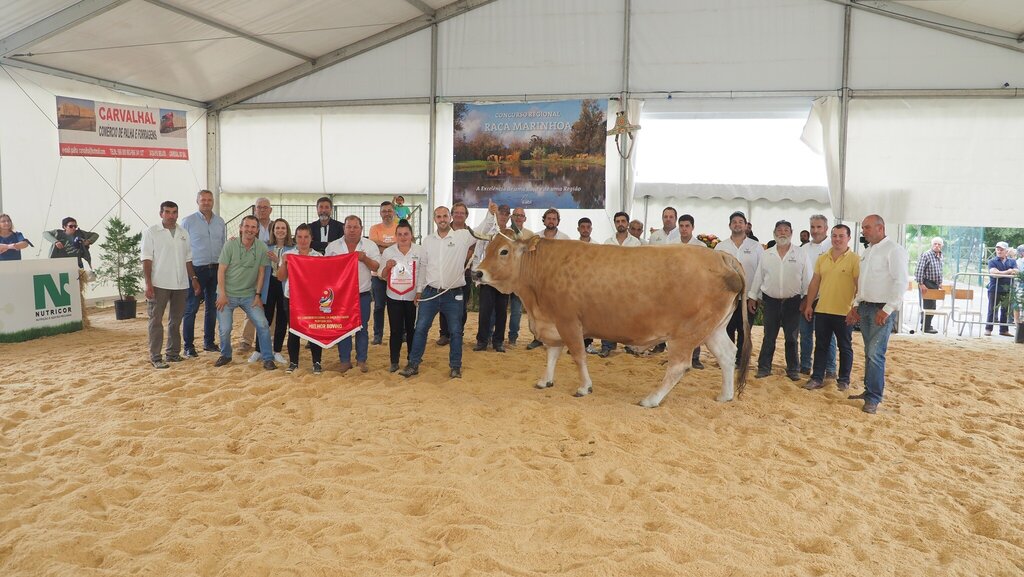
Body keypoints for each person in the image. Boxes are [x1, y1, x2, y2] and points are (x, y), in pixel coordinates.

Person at [399, 206, 477, 379]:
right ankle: (413, 364)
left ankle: (455, 367)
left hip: (453, 293)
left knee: (456, 331)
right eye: (438, 216)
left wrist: (491, 214)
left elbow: (483, 231)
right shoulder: (427, 241)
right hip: (430, 293)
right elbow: (423, 266)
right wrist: (419, 291)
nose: (442, 219)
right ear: (434, 219)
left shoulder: (462, 236)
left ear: (450, 218)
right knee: (420, 329)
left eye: (445, 216)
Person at [846, 215, 908, 414]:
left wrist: (888, 309)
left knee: (875, 353)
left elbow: (901, 281)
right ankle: (869, 391)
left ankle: (873, 397)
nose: (863, 231)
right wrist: (856, 305)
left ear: (880, 228)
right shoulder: (868, 251)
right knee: (869, 352)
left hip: (882, 308)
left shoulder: (894, 250)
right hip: (865, 306)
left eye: (866, 227)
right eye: (863, 227)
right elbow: (863, 283)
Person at [748, 220, 812, 381]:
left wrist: (806, 301)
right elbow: (758, 277)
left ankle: (792, 370)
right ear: (774, 233)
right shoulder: (766, 253)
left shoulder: (801, 253)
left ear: (791, 233)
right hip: (771, 301)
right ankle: (764, 368)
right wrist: (752, 297)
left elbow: (808, 279)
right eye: (779, 230)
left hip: (794, 301)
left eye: (786, 230)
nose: (782, 233)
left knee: (791, 337)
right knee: (769, 336)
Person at [142, 201, 201, 369]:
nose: (171, 215)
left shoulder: (183, 233)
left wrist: (194, 279)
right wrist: (148, 283)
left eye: (174, 212)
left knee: (175, 321)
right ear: (161, 213)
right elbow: (146, 259)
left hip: (181, 284)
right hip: (158, 283)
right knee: (156, 320)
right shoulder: (151, 232)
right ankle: (155, 356)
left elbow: (188, 258)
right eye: (167, 212)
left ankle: (173, 353)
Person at [802, 224, 859, 392]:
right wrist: (809, 304)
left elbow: (858, 286)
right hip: (822, 310)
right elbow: (814, 283)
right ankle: (817, 378)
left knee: (845, 347)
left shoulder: (855, 259)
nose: (837, 239)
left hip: (844, 312)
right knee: (821, 346)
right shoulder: (822, 258)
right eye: (834, 236)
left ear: (849, 238)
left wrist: (854, 309)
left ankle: (844, 380)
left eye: (841, 236)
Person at [213, 215, 275, 370]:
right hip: (227, 294)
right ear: (241, 228)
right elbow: (221, 271)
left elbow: (261, 273)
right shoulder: (230, 245)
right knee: (225, 328)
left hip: (249, 295)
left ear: (257, 230)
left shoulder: (261, 247)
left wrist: (258, 295)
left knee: (262, 324)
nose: (250, 230)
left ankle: (267, 358)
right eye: (247, 226)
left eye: (253, 227)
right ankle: (226, 355)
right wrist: (222, 294)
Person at [326, 215, 381, 373]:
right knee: (343, 328)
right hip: (341, 296)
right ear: (344, 228)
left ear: (361, 229)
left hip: (362, 294)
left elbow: (376, 267)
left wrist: (364, 258)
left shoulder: (370, 245)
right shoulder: (333, 247)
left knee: (362, 328)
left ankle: (361, 360)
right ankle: (344, 360)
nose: (352, 230)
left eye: (355, 227)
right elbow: (325, 270)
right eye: (349, 227)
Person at [180, 189, 227, 357]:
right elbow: (183, 250)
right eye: (203, 200)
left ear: (213, 201)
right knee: (191, 308)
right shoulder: (188, 222)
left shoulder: (220, 222)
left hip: (215, 269)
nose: (206, 202)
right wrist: (191, 275)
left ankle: (208, 342)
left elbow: (224, 248)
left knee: (212, 309)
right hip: (196, 270)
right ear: (197, 201)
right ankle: (188, 346)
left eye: (209, 199)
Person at [715, 211, 764, 364]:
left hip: (748, 297)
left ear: (746, 225)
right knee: (726, 328)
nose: (737, 224)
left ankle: (742, 360)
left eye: (740, 221)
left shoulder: (756, 247)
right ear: (730, 225)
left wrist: (755, 296)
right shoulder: (720, 246)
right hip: (726, 297)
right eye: (734, 222)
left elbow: (760, 272)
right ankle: (728, 359)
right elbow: (715, 272)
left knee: (745, 329)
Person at [277, 223, 323, 374]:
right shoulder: (289, 255)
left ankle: (316, 362)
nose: (303, 240)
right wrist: (284, 263)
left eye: (306, 237)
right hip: (292, 298)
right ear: (295, 238)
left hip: (312, 299)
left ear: (311, 238)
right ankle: (293, 362)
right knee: (294, 330)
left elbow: (323, 279)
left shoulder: (318, 256)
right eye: (299, 237)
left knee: (314, 330)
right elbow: (280, 277)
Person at [379, 219, 422, 372]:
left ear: (411, 235)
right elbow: (381, 275)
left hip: (412, 297)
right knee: (395, 330)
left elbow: (423, 273)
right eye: (400, 234)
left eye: (406, 234)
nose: (403, 237)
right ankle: (394, 361)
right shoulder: (389, 252)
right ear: (395, 236)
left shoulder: (419, 251)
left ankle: (412, 359)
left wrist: (419, 291)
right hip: (394, 297)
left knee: (412, 329)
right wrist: (387, 267)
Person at [598, 212, 643, 358]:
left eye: (623, 221)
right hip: (610, 284)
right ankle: (607, 346)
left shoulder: (635, 243)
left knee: (629, 315)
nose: (620, 224)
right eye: (617, 221)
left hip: (630, 284)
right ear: (615, 223)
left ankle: (630, 345)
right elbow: (603, 264)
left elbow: (637, 265)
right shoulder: (608, 242)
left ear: (628, 224)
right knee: (608, 315)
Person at [799, 215, 836, 378]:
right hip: (807, 297)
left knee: (827, 336)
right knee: (805, 334)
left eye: (819, 227)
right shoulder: (804, 248)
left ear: (826, 228)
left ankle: (830, 368)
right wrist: (804, 298)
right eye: (812, 227)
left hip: (827, 298)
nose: (815, 230)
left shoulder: (834, 246)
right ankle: (805, 366)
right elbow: (800, 275)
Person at [250, 218, 291, 364]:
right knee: (263, 319)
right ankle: (259, 350)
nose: (280, 231)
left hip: (284, 286)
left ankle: (278, 351)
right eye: (277, 228)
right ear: (273, 231)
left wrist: (278, 260)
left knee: (282, 319)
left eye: (283, 228)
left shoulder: (292, 249)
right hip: (269, 285)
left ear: (287, 231)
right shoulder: (265, 247)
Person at [238, 197, 274, 351]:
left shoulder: (276, 226)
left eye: (265, 207)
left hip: (271, 270)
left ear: (270, 210)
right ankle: (246, 340)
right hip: (252, 269)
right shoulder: (250, 226)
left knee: (272, 305)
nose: (262, 210)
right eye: (259, 207)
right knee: (251, 302)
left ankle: (269, 338)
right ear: (255, 209)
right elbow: (240, 241)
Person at [437, 202, 473, 346]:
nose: (459, 215)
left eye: (462, 213)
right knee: (443, 305)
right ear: (452, 214)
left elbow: (471, 252)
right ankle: (444, 334)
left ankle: (458, 333)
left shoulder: (470, 232)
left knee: (461, 306)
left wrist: (456, 258)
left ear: (466, 215)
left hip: (464, 275)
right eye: (456, 212)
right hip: (444, 275)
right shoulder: (444, 229)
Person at [674, 213, 706, 368]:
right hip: (675, 291)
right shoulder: (671, 245)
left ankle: (694, 358)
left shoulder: (701, 247)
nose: (684, 229)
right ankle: (675, 357)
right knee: (675, 325)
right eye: (681, 226)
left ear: (693, 228)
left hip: (694, 291)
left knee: (694, 324)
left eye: (687, 226)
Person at [369, 201, 399, 345]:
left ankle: (401, 333)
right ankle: (377, 335)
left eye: (389, 211)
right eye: (384, 211)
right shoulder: (374, 228)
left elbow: (403, 245)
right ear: (380, 213)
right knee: (379, 306)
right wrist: (393, 247)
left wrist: (383, 246)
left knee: (398, 307)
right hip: (378, 274)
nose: (387, 214)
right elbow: (374, 247)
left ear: (394, 212)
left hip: (398, 275)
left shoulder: (399, 227)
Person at [507, 207, 531, 345]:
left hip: (520, 279)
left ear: (525, 218)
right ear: (511, 217)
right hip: (505, 278)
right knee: (498, 310)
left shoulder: (530, 235)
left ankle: (512, 338)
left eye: (521, 215)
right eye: (515, 215)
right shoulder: (505, 232)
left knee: (516, 311)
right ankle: (495, 337)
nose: (518, 218)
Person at [985, 241, 1018, 336]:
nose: (999, 251)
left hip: (1007, 290)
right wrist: (1008, 271)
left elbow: (1016, 271)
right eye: (997, 249)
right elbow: (994, 274)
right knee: (992, 310)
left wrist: (1001, 273)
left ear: (1006, 251)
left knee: (1005, 311)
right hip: (994, 289)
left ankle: (1003, 330)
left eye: (1001, 249)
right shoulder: (992, 261)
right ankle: (988, 329)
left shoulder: (1012, 261)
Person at [915, 236, 944, 334]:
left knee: (932, 306)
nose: (937, 246)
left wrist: (940, 282)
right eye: (935, 244)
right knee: (928, 307)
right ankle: (926, 327)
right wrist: (921, 283)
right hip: (926, 283)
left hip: (934, 285)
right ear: (932, 245)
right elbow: (919, 270)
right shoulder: (926, 255)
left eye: (939, 244)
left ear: (942, 246)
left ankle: (926, 325)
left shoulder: (940, 256)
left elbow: (939, 270)